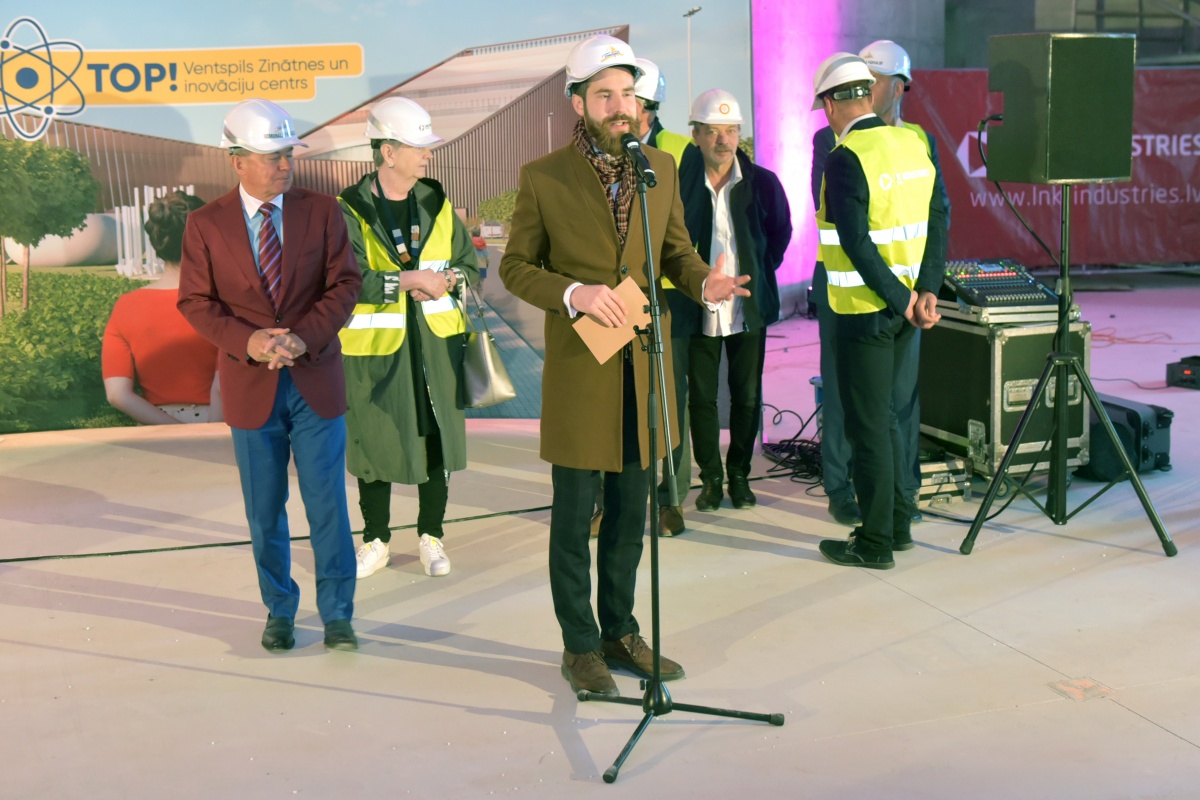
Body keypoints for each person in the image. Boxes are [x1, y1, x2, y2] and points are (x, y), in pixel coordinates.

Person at [499, 35, 749, 697]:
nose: (620, 106)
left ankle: (620, 631)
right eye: (605, 94)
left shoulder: (659, 167)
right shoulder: (544, 176)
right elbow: (516, 267)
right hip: (582, 368)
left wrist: (703, 282)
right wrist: (574, 294)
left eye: (628, 94)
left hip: (642, 365)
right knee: (573, 518)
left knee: (631, 512)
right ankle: (579, 645)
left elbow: (676, 254)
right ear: (579, 103)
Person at [178, 99, 363, 651]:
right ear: (236, 160)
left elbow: (345, 284)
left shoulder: (323, 211)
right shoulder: (205, 224)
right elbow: (195, 301)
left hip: (315, 382)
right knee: (264, 511)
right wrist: (250, 341)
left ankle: (338, 615)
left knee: (327, 505)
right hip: (250, 385)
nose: (285, 165)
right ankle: (279, 610)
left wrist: (303, 336)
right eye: (271, 156)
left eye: (288, 154)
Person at [811, 54, 947, 569]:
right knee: (888, 417)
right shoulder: (913, 144)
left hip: (864, 311)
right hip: (907, 310)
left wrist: (900, 297)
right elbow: (939, 216)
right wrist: (925, 290)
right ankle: (897, 524)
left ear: (830, 104)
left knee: (867, 426)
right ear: (868, 94)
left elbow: (857, 243)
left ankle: (874, 544)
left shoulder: (845, 157)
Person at [337, 97, 479, 581]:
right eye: (420, 147)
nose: (428, 155)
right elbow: (346, 281)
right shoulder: (350, 209)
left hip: (436, 347)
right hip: (375, 353)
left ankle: (431, 536)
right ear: (389, 152)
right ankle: (375, 540)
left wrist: (449, 280)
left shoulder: (437, 203)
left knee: (435, 441)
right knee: (373, 443)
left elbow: (468, 265)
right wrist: (408, 281)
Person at [591, 57, 696, 538]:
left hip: (664, 298)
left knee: (668, 403)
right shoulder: (600, 150)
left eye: (641, 103)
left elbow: (682, 234)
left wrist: (700, 279)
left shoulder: (674, 154)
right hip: (612, 301)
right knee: (608, 404)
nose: (635, 112)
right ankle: (604, 502)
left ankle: (671, 500)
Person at [681, 89, 792, 514]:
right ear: (695, 135)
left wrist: (759, 273)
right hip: (699, 304)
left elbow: (780, 232)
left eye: (730, 131)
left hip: (748, 306)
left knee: (746, 396)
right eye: (712, 131)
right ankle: (710, 479)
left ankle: (740, 475)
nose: (723, 140)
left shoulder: (763, 182)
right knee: (702, 398)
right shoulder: (680, 184)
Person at [103, 191, 222, 425]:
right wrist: (209, 435)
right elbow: (222, 387)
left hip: (155, 424)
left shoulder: (126, 306)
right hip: (219, 422)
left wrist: (174, 430)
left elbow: (117, 394)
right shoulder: (223, 302)